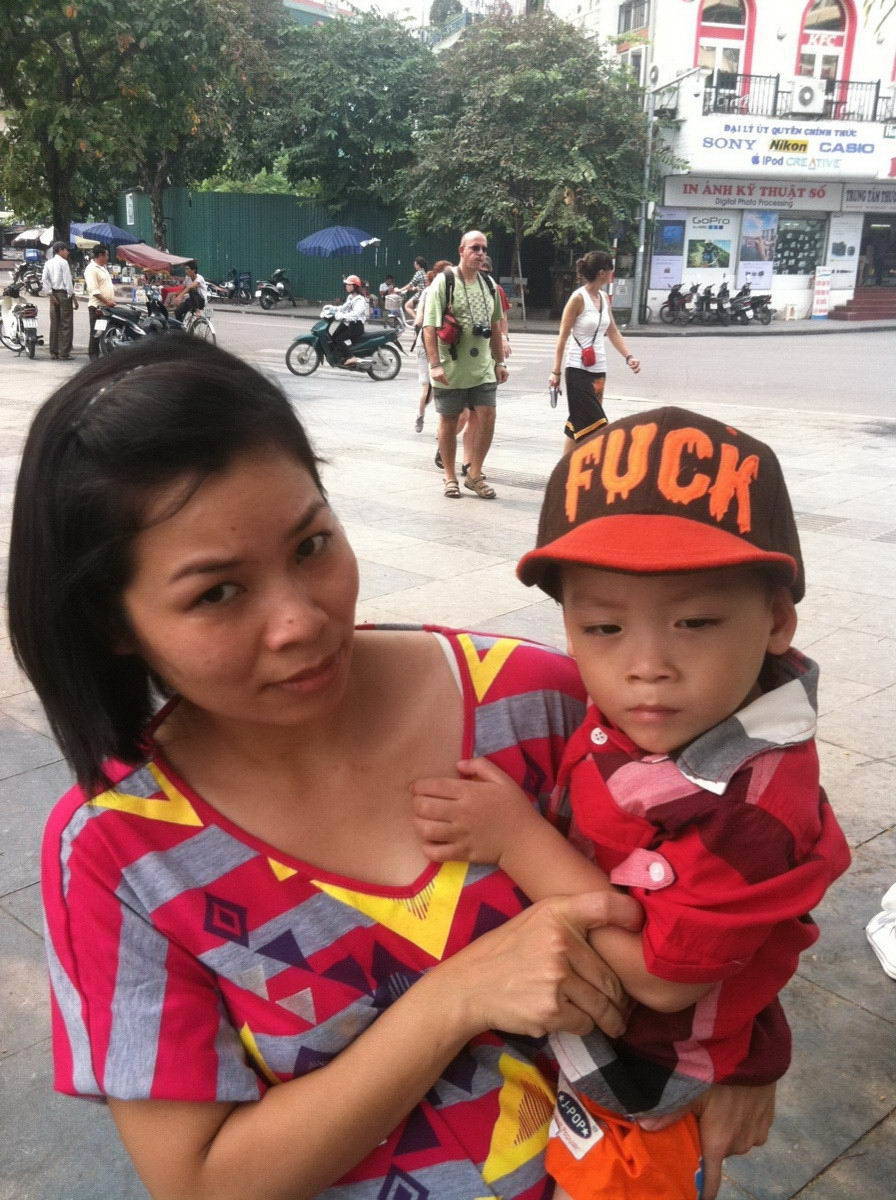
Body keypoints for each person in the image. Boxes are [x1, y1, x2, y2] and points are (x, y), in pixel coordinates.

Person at [10, 342, 775, 1200]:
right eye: (217, 593)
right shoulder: (118, 850)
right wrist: (456, 997)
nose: (300, 621)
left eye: (311, 545)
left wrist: (751, 1047)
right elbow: (199, 1182)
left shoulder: (540, 706)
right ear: (112, 623)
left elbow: (736, 857)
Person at [411, 406, 851, 1200]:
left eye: (695, 622)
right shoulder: (655, 713)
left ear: (777, 621)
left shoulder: (752, 806)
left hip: (646, 1083)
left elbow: (662, 979)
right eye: (603, 626)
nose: (646, 665)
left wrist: (515, 839)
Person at [423, 230, 507, 500]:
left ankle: (474, 474)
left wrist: (499, 362)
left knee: (488, 416)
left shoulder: (489, 284)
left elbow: (495, 327)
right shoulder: (444, 282)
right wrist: (435, 365)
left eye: (484, 249)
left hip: (482, 366)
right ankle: (449, 476)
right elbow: (429, 327)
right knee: (449, 421)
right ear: (462, 250)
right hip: (451, 367)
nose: (480, 253)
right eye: (475, 248)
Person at [549, 250, 640, 458]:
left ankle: (565, 469)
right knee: (598, 424)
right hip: (577, 369)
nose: (612, 275)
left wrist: (629, 357)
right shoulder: (577, 299)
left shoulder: (603, 298)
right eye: (610, 271)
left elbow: (613, 331)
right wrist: (555, 372)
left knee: (578, 421)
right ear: (602, 273)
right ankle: (596, 466)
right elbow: (562, 337)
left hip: (598, 370)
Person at [410, 259, 451, 434]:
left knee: (429, 386)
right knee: (436, 386)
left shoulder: (427, 291)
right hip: (435, 341)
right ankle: (435, 422)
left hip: (427, 341)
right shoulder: (442, 291)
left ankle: (421, 415)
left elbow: (418, 319)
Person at [40, 240, 76, 360]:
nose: (68, 252)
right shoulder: (63, 262)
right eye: (66, 250)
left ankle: (53, 352)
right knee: (66, 324)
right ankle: (64, 353)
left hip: (53, 295)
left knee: (55, 324)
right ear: (60, 250)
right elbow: (68, 281)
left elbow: (44, 279)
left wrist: (50, 294)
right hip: (63, 295)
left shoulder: (48, 263)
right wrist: (72, 295)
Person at [328, 274, 369, 367]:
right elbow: (343, 308)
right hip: (348, 323)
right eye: (346, 284)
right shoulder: (350, 297)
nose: (346, 286)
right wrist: (331, 308)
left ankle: (351, 357)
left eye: (349, 285)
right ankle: (340, 357)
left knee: (338, 339)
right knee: (333, 338)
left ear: (354, 286)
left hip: (356, 326)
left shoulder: (360, 300)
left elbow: (355, 314)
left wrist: (341, 316)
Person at [83, 245, 116, 359]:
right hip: (98, 307)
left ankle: (106, 354)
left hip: (107, 306)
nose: (108, 257)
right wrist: (106, 301)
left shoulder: (103, 268)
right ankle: (93, 356)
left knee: (107, 331)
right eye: (106, 255)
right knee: (96, 332)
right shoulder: (91, 269)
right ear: (100, 256)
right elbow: (94, 290)